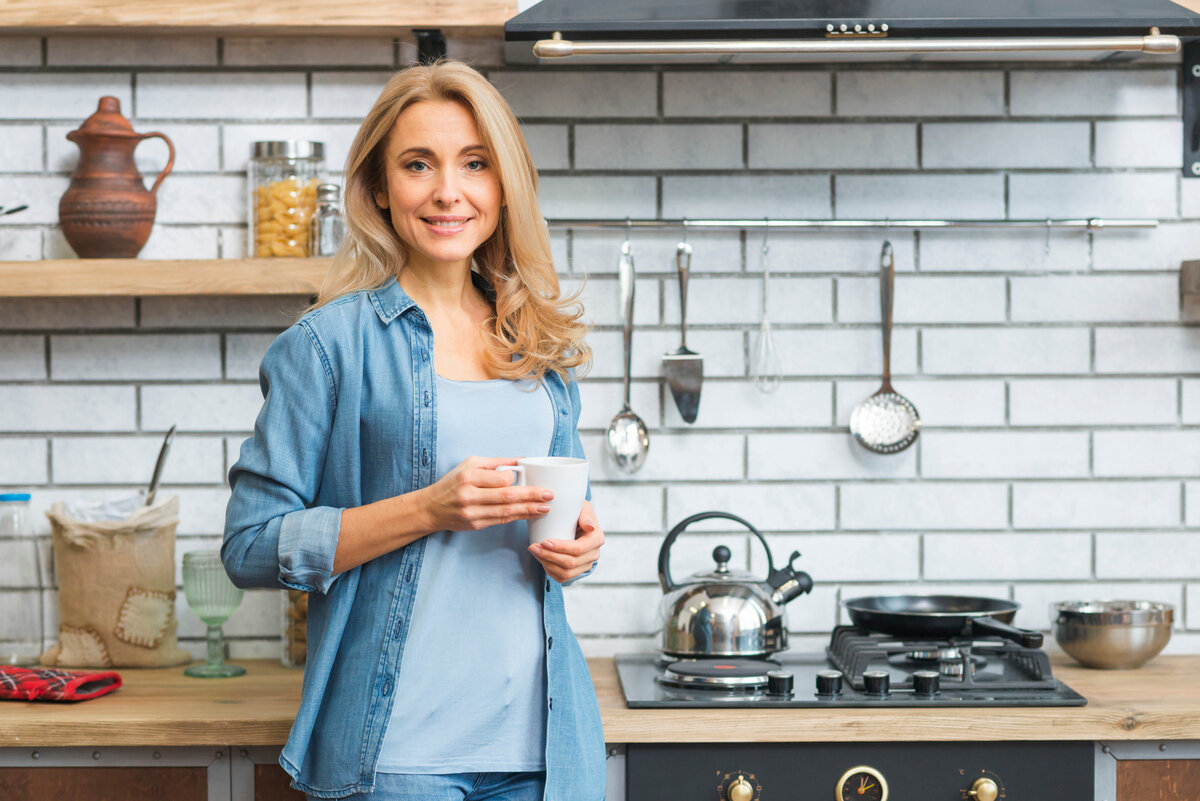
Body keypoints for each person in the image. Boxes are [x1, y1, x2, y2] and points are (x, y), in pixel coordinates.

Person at [222, 60, 607, 801]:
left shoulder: (540, 343)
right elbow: (248, 546)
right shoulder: (327, 346)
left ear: (504, 185)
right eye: (418, 165)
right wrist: (429, 508)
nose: (447, 192)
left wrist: (579, 547)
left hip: (546, 747)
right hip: (397, 755)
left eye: (474, 164)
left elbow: (554, 523)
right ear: (377, 189)